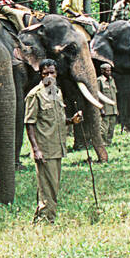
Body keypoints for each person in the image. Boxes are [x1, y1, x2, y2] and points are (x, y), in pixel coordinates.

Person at [25, 58, 83, 224]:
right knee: (48, 185)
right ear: (40, 75)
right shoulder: (35, 95)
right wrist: (36, 149)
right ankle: (46, 219)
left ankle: (41, 217)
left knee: (51, 184)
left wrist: (72, 120)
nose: (49, 76)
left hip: (58, 146)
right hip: (45, 147)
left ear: (57, 74)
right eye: (45, 74)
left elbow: (58, 119)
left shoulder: (57, 93)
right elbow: (29, 123)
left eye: (52, 73)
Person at [97, 64, 118, 145]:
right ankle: (103, 143)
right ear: (102, 71)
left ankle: (109, 143)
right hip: (105, 109)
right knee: (104, 128)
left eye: (110, 70)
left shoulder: (112, 80)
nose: (109, 72)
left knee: (111, 128)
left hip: (113, 109)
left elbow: (114, 95)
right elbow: (97, 95)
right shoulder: (99, 80)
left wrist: (117, 109)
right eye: (107, 70)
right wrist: (101, 109)